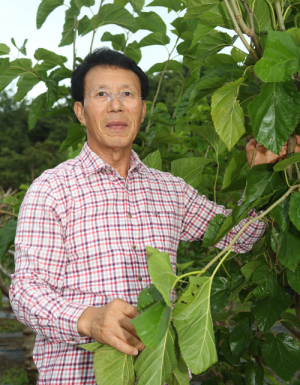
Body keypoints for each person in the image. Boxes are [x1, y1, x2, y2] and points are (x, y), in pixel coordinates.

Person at [10, 47, 300, 384]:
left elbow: (241, 238)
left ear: (142, 109)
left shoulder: (170, 190)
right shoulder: (52, 189)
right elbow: (26, 291)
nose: (116, 104)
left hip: (160, 373)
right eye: (101, 94)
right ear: (80, 111)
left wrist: (263, 177)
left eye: (127, 94)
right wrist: (89, 320)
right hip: (77, 376)